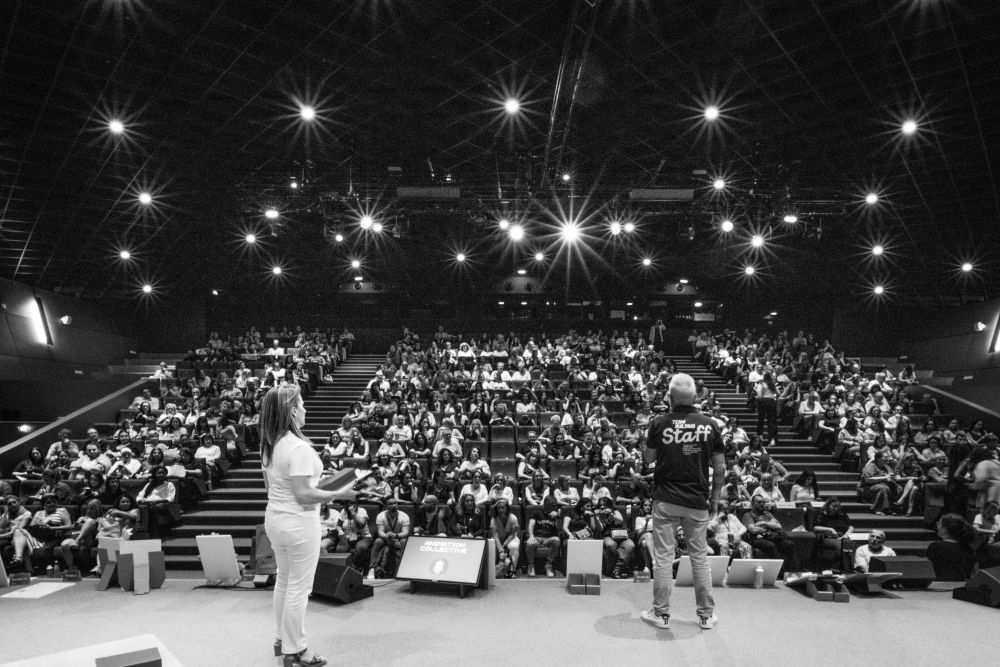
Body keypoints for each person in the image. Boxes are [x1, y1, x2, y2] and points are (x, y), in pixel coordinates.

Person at [261, 384, 354, 667]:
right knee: (299, 589)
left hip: (276, 519)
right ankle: (296, 650)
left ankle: (281, 641)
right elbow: (303, 494)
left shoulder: (271, 445)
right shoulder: (298, 447)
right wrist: (339, 493)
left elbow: (276, 487)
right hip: (299, 523)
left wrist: (323, 483)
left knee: (285, 582)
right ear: (291, 411)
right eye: (301, 404)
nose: (305, 408)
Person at [641, 372, 725, 631]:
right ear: (695, 397)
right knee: (699, 558)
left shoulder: (659, 422)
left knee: (664, 558)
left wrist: (652, 437)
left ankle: (661, 615)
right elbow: (720, 468)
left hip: (666, 500)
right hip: (697, 501)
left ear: (670, 397)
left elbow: (648, 460)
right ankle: (705, 616)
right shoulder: (710, 425)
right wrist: (714, 499)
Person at [926, 513, 978, 581]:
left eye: (939, 523)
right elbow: (975, 573)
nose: (937, 525)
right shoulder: (969, 549)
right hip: (961, 587)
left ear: (944, 529)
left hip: (940, 587)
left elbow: (926, 569)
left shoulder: (935, 546)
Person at [369, 497, 411, 578]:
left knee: (404, 541)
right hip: (386, 537)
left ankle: (403, 569)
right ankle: (372, 568)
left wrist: (395, 535)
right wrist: (387, 536)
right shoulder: (381, 516)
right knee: (378, 541)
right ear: (386, 506)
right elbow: (380, 531)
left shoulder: (404, 516)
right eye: (391, 504)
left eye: (395, 503)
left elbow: (405, 532)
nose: (394, 505)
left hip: (399, 537)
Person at [526, 495, 561, 578]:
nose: (555, 507)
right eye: (553, 505)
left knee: (557, 540)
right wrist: (531, 536)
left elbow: (559, 528)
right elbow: (531, 525)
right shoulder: (537, 512)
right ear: (546, 504)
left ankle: (548, 564)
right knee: (529, 543)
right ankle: (531, 565)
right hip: (537, 538)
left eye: (555, 505)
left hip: (548, 539)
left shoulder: (555, 515)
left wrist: (558, 517)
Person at [490, 500, 520, 578]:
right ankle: (492, 571)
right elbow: (495, 536)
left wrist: (505, 544)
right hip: (498, 539)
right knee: (490, 547)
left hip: (511, 538)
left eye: (503, 507)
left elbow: (512, 534)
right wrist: (501, 550)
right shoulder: (494, 520)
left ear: (507, 508)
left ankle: (511, 571)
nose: (501, 510)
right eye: (498, 508)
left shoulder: (513, 518)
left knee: (514, 547)